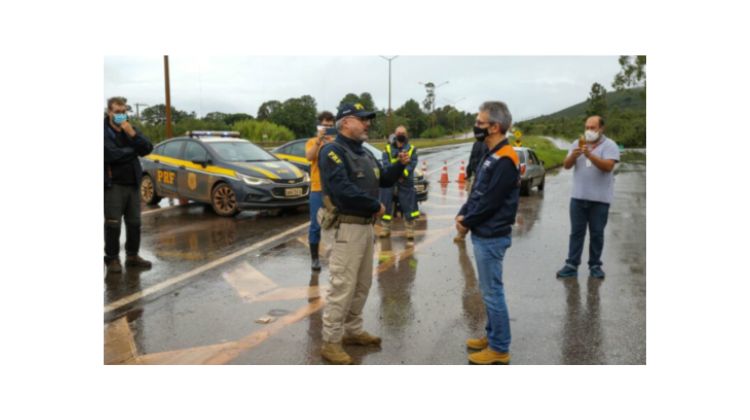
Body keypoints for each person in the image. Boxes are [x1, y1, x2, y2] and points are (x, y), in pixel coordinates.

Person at [317, 103, 410, 364]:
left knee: (362, 284)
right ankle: (330, 342)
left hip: (365, 227)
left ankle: (353, 331)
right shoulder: (333, 151)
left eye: (368, 119)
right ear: (346, 122)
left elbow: (383, 179)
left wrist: (399, 166)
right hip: (346, 228)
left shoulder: (365, 153)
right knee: (342, 286)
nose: (367, 123)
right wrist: (375, 205)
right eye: (362, 119)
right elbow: (342, 189)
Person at [455, 101, 520, 365]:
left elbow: (491, 201)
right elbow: (478, 191)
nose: (476, 126)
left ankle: (499, 348)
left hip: (492, 235)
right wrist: (463, 211)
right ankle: (493, 336)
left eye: (480, 123)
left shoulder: (505, 158)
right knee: (487, 291)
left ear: (494, 127)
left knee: (493, 293)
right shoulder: (490, 152)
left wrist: (467, 222)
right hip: (484, 232)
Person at [556, 116, 620, 279]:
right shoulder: (577, 144)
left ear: (601, 129)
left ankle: (595, 266)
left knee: (597, 234)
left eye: (593, 127)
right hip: (578, 198)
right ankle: (571, 265)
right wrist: (574, 156)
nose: (589, 131)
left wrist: (590, 155)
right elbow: (566, 165)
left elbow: (608, 166)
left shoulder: (610, 145)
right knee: (576, 233)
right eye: (587, 127)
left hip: (600, 200)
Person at [104, 96, 154, 273]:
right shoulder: (103, 131)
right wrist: (134, 151)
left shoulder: (130, 128)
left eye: (124, 111)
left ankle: (132, 256)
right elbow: (110, 154)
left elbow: (147, 148)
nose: (121, 114)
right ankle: (112, 259)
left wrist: (132, 134)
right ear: (109, 112)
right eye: (117, 112)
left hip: (133, 183)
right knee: (113, 224)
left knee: (134, 223)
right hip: (113, 185)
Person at [305, 111, 336, 271]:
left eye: (330, 126)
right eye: (324, 126)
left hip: (334, 189)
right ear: (319, 126)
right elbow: (309, 157)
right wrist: (319, 140)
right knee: (315, 225)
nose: (327, 128)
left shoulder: (337, 143)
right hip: (317, 188)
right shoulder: (312, 142)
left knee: (337, 222)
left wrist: (332, 142)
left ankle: (336, 256)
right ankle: (315, 259)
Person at [378, 125, 419, 240]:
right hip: (390, 181)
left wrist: (403, 175)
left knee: (408, 206)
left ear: (406, 135)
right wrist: (395, 173)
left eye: (403, 133)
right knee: (386, 204)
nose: (401, 135)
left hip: (405, 181)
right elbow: (385, 163)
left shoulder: (412, 149)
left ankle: (410, 230)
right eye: (398, 133)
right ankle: (385, 229)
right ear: (395, 135)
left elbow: (412, 163)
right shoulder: (387, 148)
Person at [454, 134, 488, 243]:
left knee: (475, 203)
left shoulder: (488, 144)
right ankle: (462, 232)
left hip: (483, 178)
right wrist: (468, 176)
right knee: (471, 203)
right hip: (475, 176)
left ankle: (463, 232)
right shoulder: (477, 144)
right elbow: (472, 159)